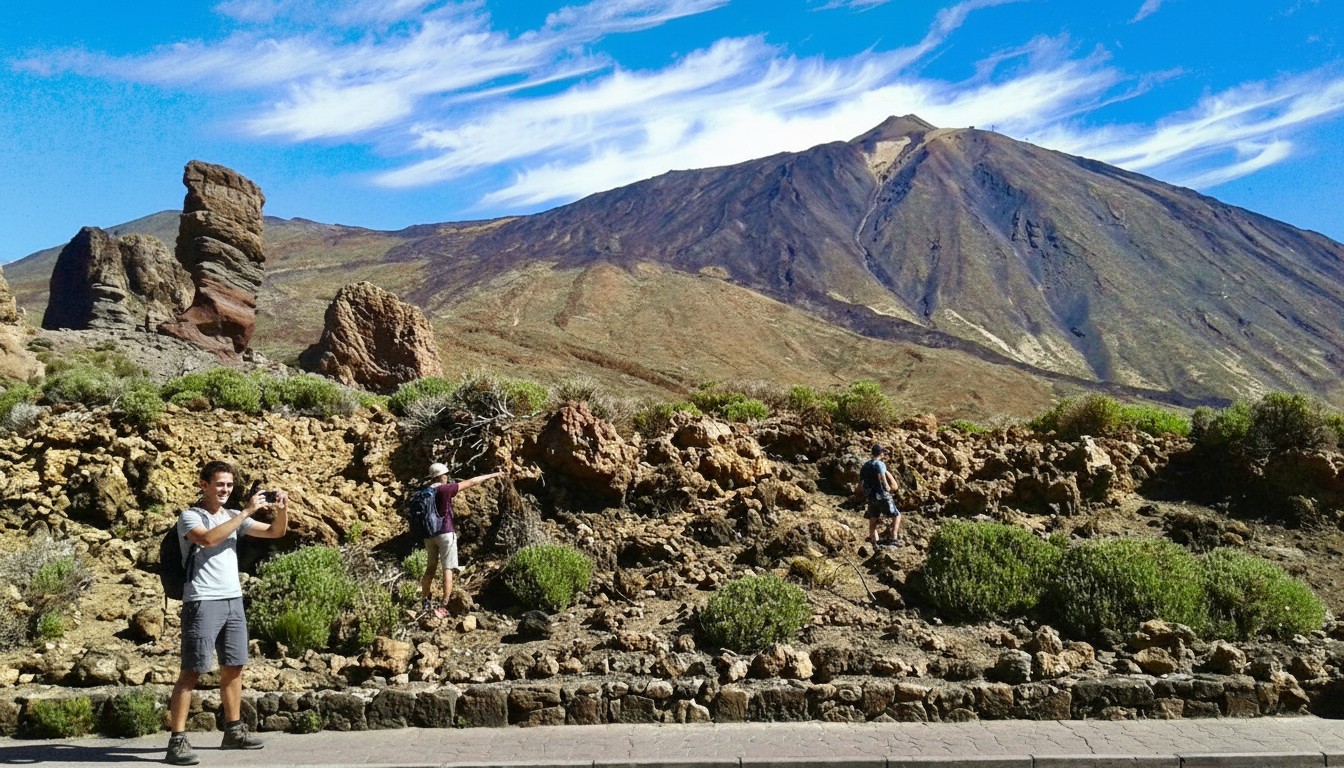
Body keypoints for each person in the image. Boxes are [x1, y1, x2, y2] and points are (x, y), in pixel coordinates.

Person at [165, 461, 289, 766]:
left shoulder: (233, 515)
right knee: (191, 671)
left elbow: (276, 532)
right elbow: (208, 539)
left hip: (233, 599)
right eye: (220, 484)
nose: (225, 490)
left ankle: (233, 730)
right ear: (204, 485)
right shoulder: (191, 516)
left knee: (234, 667)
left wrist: (282, 509)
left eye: (230, 485)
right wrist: (246, 512)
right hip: (202, 601)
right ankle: (177, 741)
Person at [420, 462, 505, 618]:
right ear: (441, 476)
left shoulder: (425, 492)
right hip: (445, 533)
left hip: (429, 535)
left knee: (430, 569)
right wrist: (494, 475)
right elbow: (472, 482)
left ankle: (425, 601)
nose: (447, 477)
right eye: (445, 475)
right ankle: (444, 605)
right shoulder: (445, 489)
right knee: (447, 568)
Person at [858, 444, 903, 549]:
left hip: (871, 496)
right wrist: (887, 486)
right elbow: (882, 475)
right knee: (897, 515)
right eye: (884, 453)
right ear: (881, 453)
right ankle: (894, 538)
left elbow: (861, 482)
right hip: (882, 494)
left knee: (873, 519)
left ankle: (875, 543)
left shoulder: (865, 466)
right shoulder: (880, 464)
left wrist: (861, 493)